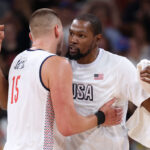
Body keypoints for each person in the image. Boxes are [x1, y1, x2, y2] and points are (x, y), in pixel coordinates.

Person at [0, 9, 123, 150]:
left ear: (31, 36)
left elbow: (5, 103)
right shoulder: (57, 63)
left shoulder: (18, 60)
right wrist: (102, 116)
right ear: (57, 31)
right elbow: (67, 126)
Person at [64, 14, 150, 150]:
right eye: (71, 34)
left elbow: (147, 103)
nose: (73, 40)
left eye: (81, 36)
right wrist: (101, 117)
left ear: (97, 39)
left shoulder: (118, 66)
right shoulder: (63, 66)